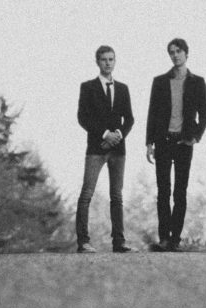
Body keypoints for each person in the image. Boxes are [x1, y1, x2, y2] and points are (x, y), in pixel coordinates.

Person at [144, 38, 206, 252]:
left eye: (178, 51)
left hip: (183, 143)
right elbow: (152, 113)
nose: (175, 55)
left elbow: (205, 116)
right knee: (163, 191)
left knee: (180, 192)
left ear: (186, 53)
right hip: (163, 141)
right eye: (171, 52)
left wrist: (194, 137)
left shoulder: (197, 82)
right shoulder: (160, 81)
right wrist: (149, 143)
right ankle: (163, 238)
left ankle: (175, 239)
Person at [76, 45, 137, 253]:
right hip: (96, 147)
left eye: (111, 59)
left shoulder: (123, 88)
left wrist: (118, 134)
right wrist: (104, 134)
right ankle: (83, 242)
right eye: (104, 59)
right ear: (97, 61)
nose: (108, 63)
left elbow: (129, 118)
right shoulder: (87, 87)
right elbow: (83, 117)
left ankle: (119, 242)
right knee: (87, 193)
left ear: (115, 61)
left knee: (117, 196)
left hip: (118, 149)